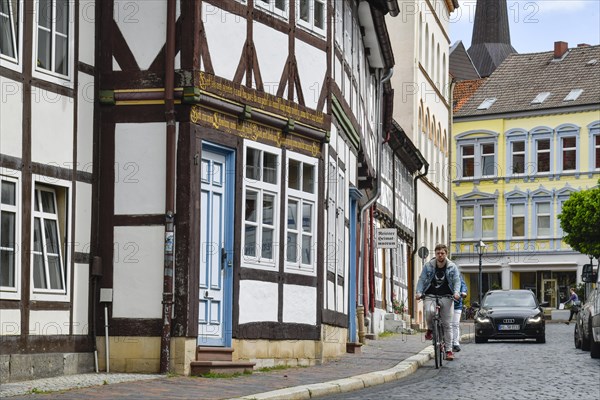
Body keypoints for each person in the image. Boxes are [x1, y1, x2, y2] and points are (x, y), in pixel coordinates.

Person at [416, 244, 461, 361]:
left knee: (447, 324)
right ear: (435, 254)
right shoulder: (429, 265)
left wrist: (456, 293)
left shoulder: (452, 266)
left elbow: (457, 281)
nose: (440, 255)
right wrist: (419, 292)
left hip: (447, 296)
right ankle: (430, 329)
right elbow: (421, 279)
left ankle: (449, 350)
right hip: (430, 295)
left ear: (446, 254)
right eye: (438, 253)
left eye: (442, 253)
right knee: (429, 311)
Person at [451, 274, 468, 352]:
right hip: (445, 302)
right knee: (447, 324)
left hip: (456, 304)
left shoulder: (457, 275)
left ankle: (455, 343)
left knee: (455, 324)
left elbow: (463, 285)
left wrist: (463, 292)